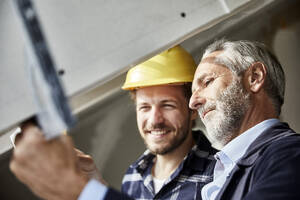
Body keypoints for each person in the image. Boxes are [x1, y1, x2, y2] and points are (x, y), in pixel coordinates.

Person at [9, 46, 216, 200]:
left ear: (192, 109)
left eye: (168, 105)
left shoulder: (219, 174)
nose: (154, 120)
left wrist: (83, 191)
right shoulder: (134, 174)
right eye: (145, 107)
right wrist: (95, 183)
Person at [189, 39, 300, 200]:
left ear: (254, 78)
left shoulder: (289, 155)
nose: (193, 102)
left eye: (207, 82)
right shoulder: (226, 168)